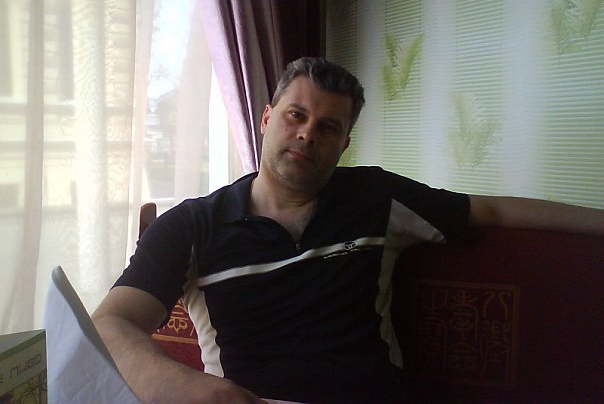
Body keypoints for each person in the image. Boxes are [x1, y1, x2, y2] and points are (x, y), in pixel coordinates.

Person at [92, 57, 604, 404]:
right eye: (296, 115)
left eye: (328, 127)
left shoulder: (376, 198)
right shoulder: (190, 225)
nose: (307, 134)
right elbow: (110, 325)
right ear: (266, 118)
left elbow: (488, 211)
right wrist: (186, 388)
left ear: (344, 145)